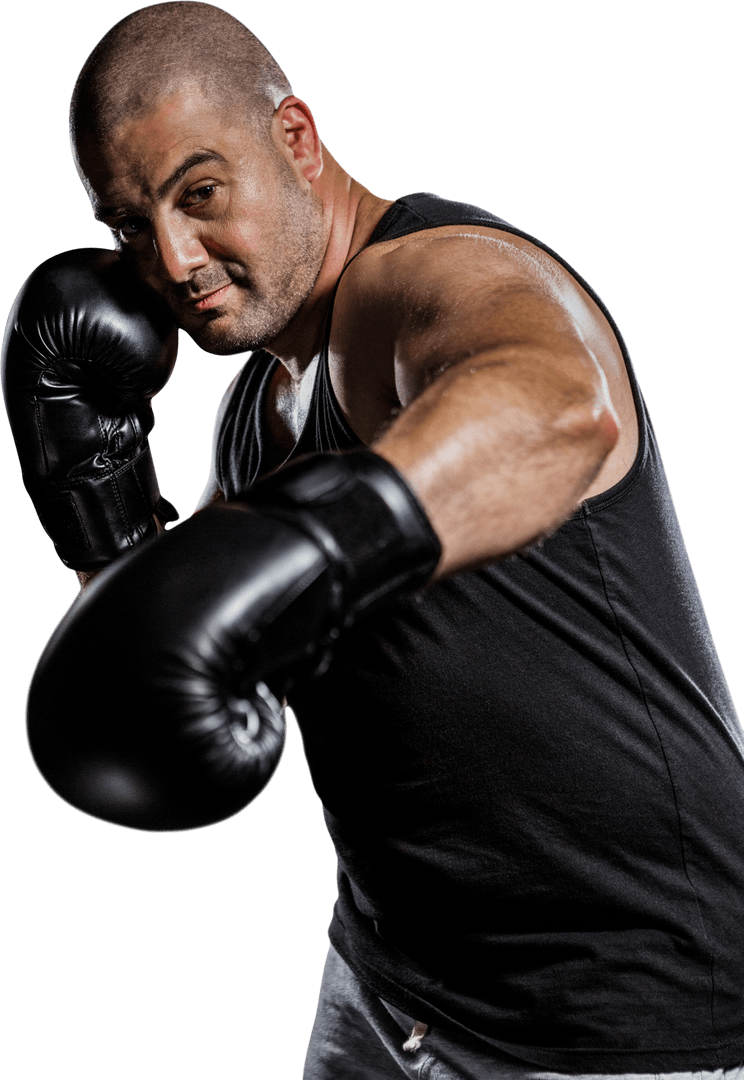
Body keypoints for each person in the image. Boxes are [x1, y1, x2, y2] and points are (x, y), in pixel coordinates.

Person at [2, 2, 743, 1077]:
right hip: (393, 986)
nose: (173, 259)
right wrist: (102, 526)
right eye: (129, 226)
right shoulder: (255, 413)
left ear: (296, 141)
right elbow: (173, 658)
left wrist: (323, 535)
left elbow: (558, 405)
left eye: (199, 194)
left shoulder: (423, 281)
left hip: (615, 1013)